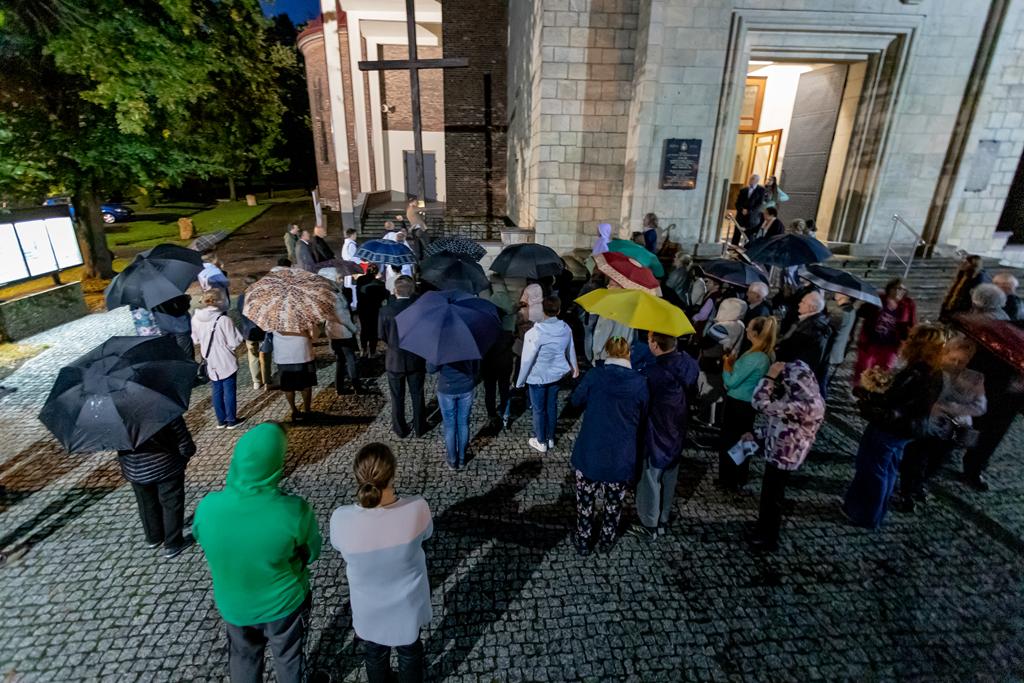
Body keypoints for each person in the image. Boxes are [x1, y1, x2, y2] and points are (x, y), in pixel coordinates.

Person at [193, 423, 321, 683]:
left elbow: (200, 537)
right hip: (284, 603)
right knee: (289, 658)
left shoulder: (207, 508)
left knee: (243, 659)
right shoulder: (293, 510)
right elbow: (312, 552)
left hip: (234, 605)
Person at [331, 443, 432, 683]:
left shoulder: (341, 519)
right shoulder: (417, 508)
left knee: (374, 652)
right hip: (407, 605)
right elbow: (427, 534)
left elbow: (337, 546)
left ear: (357, 476)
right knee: (410, 650)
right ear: (393, 474)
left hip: (369, 608)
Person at [843, 324, 945, 529]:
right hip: (907, 429)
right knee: (888, 468)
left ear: (918, 346)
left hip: (890, 428)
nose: (905, 342)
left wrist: (866, 395)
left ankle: (866, 514)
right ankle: (875, 512)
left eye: (911, 339)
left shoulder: (915, 373)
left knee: (873, 469)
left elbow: (891, 401)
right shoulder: (935, 372)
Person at [569, 337, 648, 555]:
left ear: (608, 352)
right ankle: (606, 539)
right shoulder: (639, 382)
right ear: (628, 354)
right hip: (620, 455)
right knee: (613, 503)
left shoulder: (595, 375)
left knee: (585, 501)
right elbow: (644, 414)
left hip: (591, 451)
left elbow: (575, 400)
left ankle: (584, 539)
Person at [896, 335, 986, 511]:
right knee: (914, 458)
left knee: (936, 462)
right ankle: (905, 492)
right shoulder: (933, 373)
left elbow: (980, 407)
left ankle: (919, 484)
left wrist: (951, 407)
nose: (956, 364)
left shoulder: (974, 378)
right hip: (927, 425)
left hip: (952, 431)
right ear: (944, 354)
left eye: (962, 361)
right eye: (953, 359)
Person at [745, 360, 825, 552]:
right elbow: (781, 423)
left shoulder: (804, 405)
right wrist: (758, 434)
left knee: (772, 498)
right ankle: (763, 528)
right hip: (780, 451)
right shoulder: (806, 396)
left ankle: (767, 537)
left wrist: (769, 377)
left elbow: (759, 403)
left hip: (783, 457)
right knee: (770, 495)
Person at [629, 332, 698, 541]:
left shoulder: (653, 373)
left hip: (657, 431)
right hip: (678, 427)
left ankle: (649, 524)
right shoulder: (689, 362)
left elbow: (640, 400)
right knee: (670, 476)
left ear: (655, 345)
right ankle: (663, 519)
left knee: (650, 478)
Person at [117, 416, 195, 558]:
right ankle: (173, 543)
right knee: (171, 503)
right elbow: (182, 437)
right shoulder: (162, 408)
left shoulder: (115, 414)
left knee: (145, 502)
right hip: (166, 464)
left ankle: (154, 537)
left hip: (134, 467)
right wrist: (185, 455)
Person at [717, 316, 777, 492]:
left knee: (730, 442)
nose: (747, 330)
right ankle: (737, 477)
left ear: (756, 333)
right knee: (742, 441)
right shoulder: (764, 353)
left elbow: (731, 381)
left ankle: (729, 480)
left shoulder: (755, 357)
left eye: (750, 327)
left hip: (738, 404)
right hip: (746, 404)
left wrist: (726, 364)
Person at [515, 295, 579, 453]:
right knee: (551, 406)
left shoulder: (534, 333)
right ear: (559, 310)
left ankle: (541, 440)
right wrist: (574, 367)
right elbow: (570, 349)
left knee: (538, 409)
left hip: (538, 376)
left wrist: (520, 381)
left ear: (543, 311)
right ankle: (550, 438)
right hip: (556, 374)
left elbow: (527, 360)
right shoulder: (565, 329)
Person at [378, 276, 427, 438]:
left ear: (395, 290)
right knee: (417, 394)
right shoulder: (419, 310)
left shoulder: (385, 311)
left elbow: (382, 335)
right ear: (412, 290)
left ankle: (400, 428)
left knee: (397, 397)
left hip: (394, 359)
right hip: (416, 357)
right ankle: (420, 426)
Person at [192, 291, 245, 429]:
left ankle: (221, 421)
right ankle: (231, 420)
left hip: (209, 358)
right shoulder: (224, 320)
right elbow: (234, 342)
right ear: (217, 302)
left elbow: (195, 340)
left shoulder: (195, 318)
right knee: (229, 389)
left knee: (216, 389)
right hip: (225, 358)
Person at [853, 279, 916, 385]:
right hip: (871, 341)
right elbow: (861, 312)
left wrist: (907, 342)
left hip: (891, 344)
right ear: (889, 289)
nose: (898, 292)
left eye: (902, 289)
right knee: (864, 368)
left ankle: (877, 389)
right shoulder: (878, 299)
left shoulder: (907, 305)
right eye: (895, 288)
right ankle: (859, 388)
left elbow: (911, 324)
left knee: (884, 370)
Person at [429, 358, 479, 470]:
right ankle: (462, 459)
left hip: (447, 388)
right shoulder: (470, 347)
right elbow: (476, 368)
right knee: (463, 423)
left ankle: (452, 460)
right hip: (466, 387)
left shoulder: (441, 348)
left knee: (449, 426)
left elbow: (430, 369)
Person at [696, 297, 747, 405]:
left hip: (710, 363)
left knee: (707, 391)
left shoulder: (721, 327)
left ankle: (707, 413)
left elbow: (705, 344)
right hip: (727, 362)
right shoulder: (740, 325)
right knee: (719, 391)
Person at [481, 275, 517, 426]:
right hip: (504, 363)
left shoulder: (486, 329)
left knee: (489, 390)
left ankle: (491, 414)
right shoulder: (508, 330)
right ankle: (505, 414)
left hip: (489, 363)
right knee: (504, 389)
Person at [774, 291, 832, 380]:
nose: (799, 304)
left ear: (812, 308)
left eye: (803, 302)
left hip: (797, 373)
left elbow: (792, 350)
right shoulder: (816, 321)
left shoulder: (811, 327)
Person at [327, 284, 364, 395]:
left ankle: (339, 387)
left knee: (340, 360)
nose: (341, 282)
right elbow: (343, 319)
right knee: (350, 359)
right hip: (343, 333)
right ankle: (357, 386)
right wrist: (355, 329)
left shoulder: (326, 297)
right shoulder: (337, 298)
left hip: (333, 332)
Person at [271, 330, 317, 421]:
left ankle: (294, 411)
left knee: (288, 386)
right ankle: (307, 410)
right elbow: (314, 334)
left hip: (283, 354)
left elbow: (268, 330)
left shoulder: (275, 321)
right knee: (306, 384)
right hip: (302, 351)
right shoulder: (302, 320)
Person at [237, 276, 269, 391]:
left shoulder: (241, 297)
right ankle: (266, 380)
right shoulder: (262, 297)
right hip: (261, 330)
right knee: (265, 355)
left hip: (248, 332)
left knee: (253, 356)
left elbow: (240, 312)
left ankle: (256, 381)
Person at [822, 292, 858, 397]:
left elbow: (828, 330)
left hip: (829, 352)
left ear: (847, 295)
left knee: (821, 381)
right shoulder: (850, 309)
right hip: (836, 352)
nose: (836, 292)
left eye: (839, 291)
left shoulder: (841, 311)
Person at [940, 254, 987, 320]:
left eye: (966, 262)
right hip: (952, 305)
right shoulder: (962, 273)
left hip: (961, 309)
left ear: (973, 265)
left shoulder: (977, 278)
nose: (962, 263)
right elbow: (954, 289)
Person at [357, 264, 389, 357]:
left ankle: (363, 350)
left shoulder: (360, 280)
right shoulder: (380, 284)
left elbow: (359, 293)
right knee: (373, 330)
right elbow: (385, 296)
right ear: (376, 272)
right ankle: (372, 351)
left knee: (364, 329)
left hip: (362, 308)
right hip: (375, 309)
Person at [733, 174, 765, 244]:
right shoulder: (743, 190)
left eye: (752, 179)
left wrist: (749, 211)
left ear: (757, 181)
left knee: (749, 237)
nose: (750, 180)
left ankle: (747, 250)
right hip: (740, 216)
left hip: (751, 217)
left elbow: (759, 204)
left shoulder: (761, 190)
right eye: (750, 178)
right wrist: (742, 209)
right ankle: (733, 248)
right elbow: (737, 203)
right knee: (736, 235)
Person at [342, 228, 361, 308]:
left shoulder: (346, 244)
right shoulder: (351, 245)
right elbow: (355, 258)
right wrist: (362, 263)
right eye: (355, 234)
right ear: (352, 235)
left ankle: (350, 302)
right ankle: (354, 304)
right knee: (353, 286)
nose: (356, 236)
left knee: (348, 285)